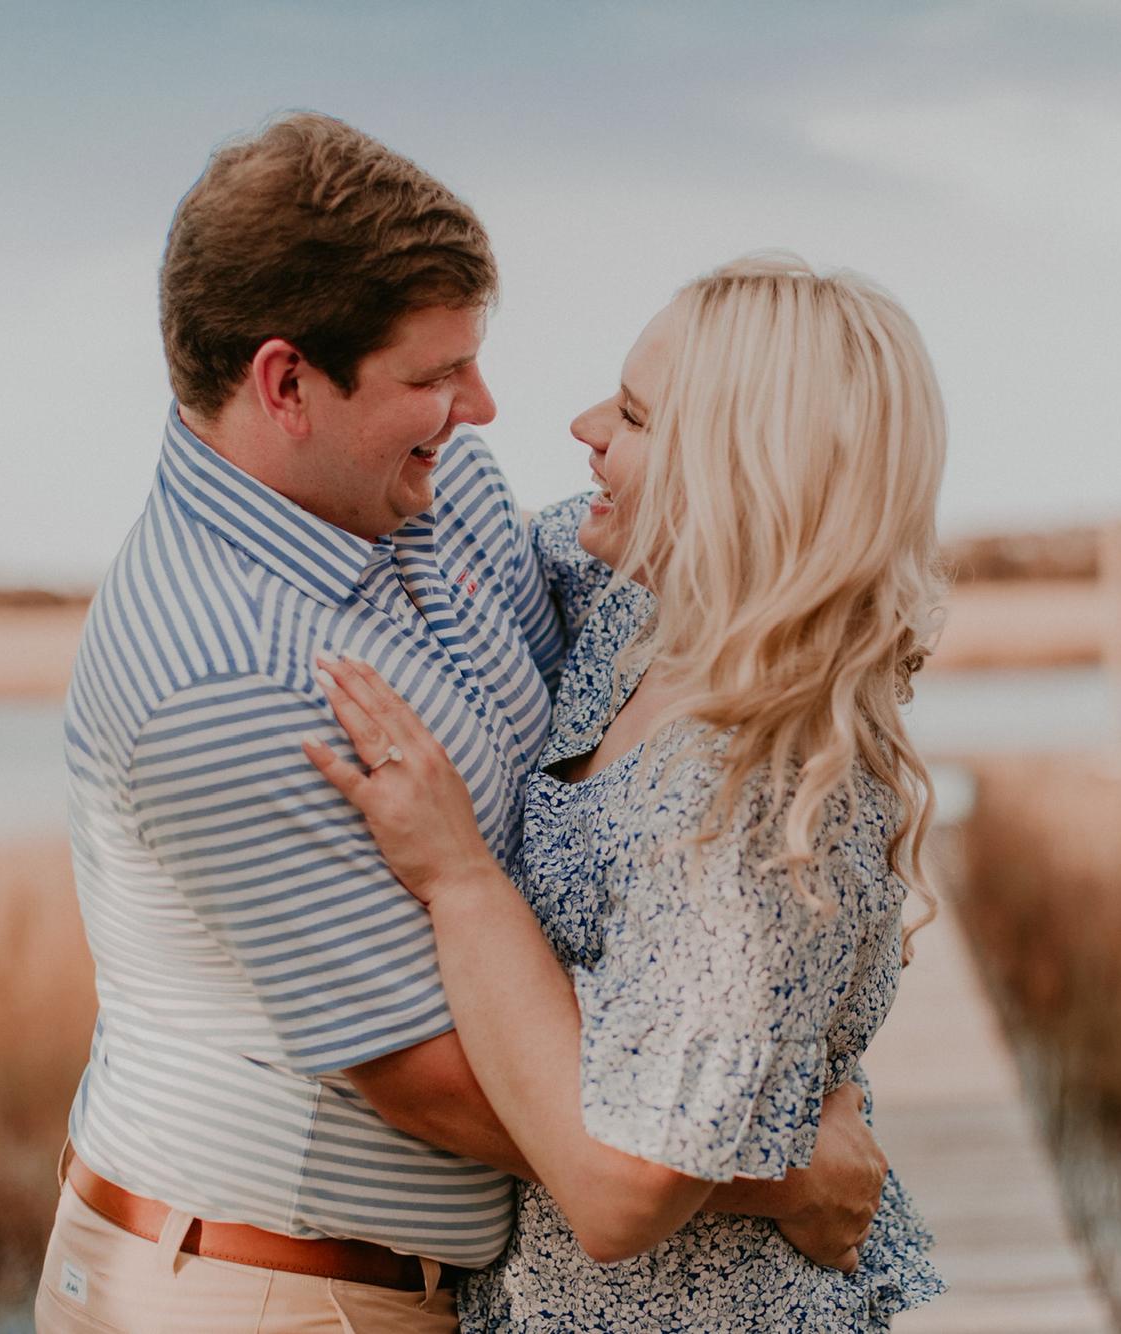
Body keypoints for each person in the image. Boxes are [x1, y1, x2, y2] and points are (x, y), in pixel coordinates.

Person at [36, 117, 884, 1334]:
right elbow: (430, 1080)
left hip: (437, 1288)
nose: (480, 406)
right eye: (434, 377)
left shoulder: (441, 490)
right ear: (286, 383)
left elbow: (687, 582)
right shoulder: (215, 680)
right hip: (271, 1288)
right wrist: (781, 1166)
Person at [303, 255, 950, 1330]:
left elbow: (621, 1191)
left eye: (636, 416)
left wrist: (458, 873)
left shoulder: (761, 791)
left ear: (743, 475)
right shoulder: (634, 601)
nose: (585, 426)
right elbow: (436, 532)